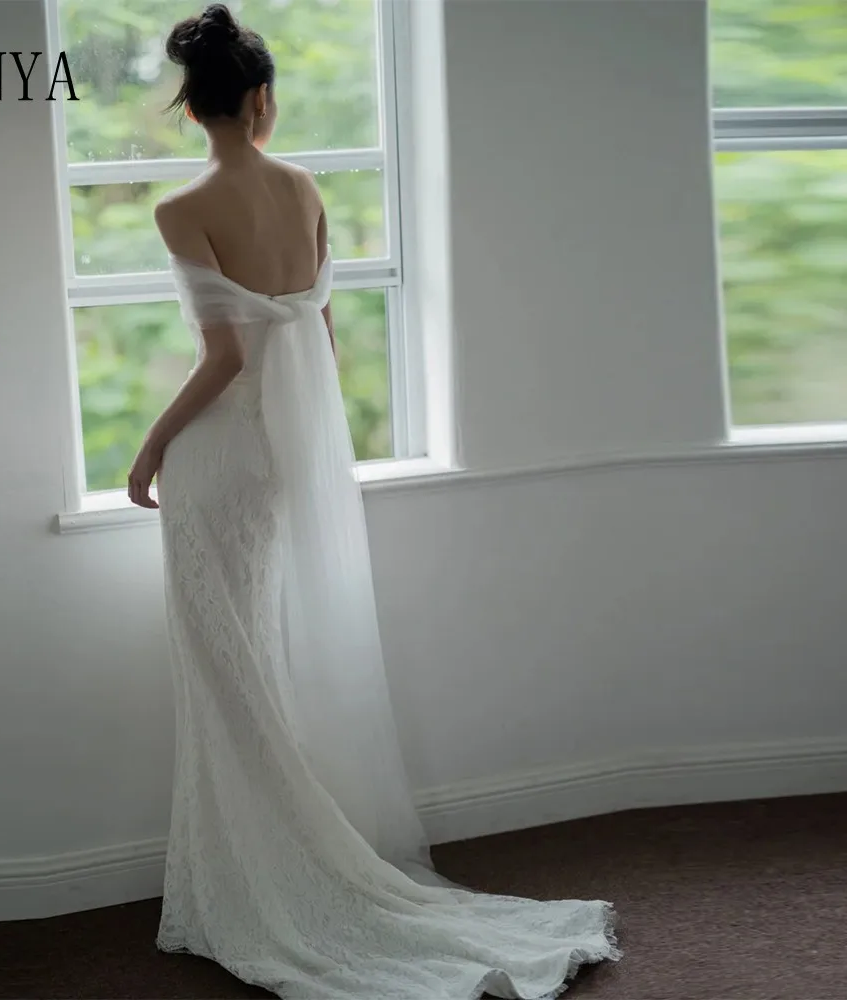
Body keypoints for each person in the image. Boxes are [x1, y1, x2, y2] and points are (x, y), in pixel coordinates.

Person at [127, 5, 621, 998]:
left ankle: (269, 875)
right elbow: (318, 339)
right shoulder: (305, 185)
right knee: (252, 658)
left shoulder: (181, 210)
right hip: (279, 455)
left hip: (218, 459)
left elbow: (223, 357)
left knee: (225, 667)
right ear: (261, 98)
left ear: (195, 109)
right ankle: (271, 861)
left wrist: (148, 449)